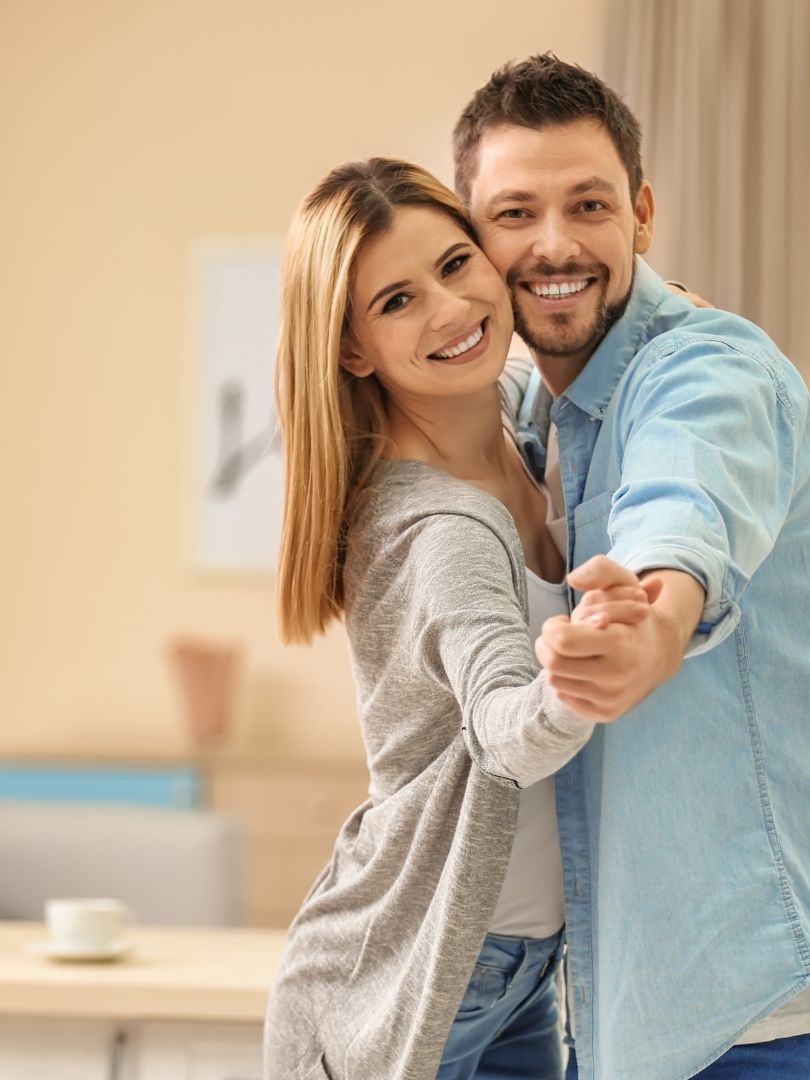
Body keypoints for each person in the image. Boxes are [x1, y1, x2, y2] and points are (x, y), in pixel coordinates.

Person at [451, 54, 810, 1079]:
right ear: (475, 241)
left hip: (765, 1002)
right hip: (643, 1002)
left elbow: (686, 507)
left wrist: (655, 624)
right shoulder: (537, 413)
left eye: (589, 205)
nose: (554, 244)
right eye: (515, 214)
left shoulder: (711, 369)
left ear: (642, 215)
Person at [263, 157, 652, 1080]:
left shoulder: (513, 428)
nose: (448, 309)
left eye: (453, 265)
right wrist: (579, 673)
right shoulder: (443, 529)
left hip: (516, 967)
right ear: (353, 350)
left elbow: (547, 378)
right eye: (397, 302)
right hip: (417, 977)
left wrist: (665, 317)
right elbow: (506, 730)